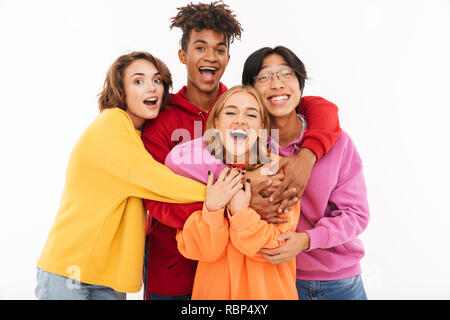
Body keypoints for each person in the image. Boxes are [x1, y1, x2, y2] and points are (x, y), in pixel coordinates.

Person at [141, 1, 342, 300]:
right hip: (174, 273)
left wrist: (306, 155)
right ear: (183, 55)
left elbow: (314, 106)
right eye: (200, 47)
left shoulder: (266, 151)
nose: (210, 56)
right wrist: (235, 195)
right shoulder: (161, 119)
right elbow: (154, 196)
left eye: (219, 50)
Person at [35, 52, 206, 300]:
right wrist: (223, 192)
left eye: (157, 80)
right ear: (120, 91)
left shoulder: (136, 134)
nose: (152, 88)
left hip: (108, 276)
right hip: (71, 270)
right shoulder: (111, 125)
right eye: (138, 81)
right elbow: (158, 181)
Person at [242, 46, 370, 300]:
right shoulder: (244, 144)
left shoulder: (339, 143)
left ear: (300, 86)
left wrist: (307, 239)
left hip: (339, 281)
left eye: (286, 74)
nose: (277, 84)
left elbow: (356, 214)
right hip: (273, 277)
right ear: (251, 90)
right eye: (265, 77)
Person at [166, 85, 300, 299]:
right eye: (230, 112)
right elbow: (199, 251)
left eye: (251, 114)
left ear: (263, 126)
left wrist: (239, 213)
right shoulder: (198, 174)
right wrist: (213, 208)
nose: (240, 120)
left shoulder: (278, 172)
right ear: (216, 122)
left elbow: (277, 247)